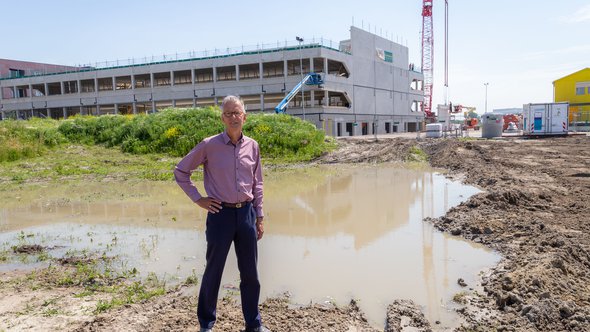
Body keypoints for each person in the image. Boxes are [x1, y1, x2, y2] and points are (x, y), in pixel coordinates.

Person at [174, 95, 270, 332]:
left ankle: (253, 324)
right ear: (222, 118)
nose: (233, 117)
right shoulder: (209, 145)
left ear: (245, 117)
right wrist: (199, 199)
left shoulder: (253, 146)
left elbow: (258, 183)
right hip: (220, 215)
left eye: (237, 113)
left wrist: (259, 216)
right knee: (213, 270)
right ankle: (206, 324)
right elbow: (181, 171)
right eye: (228, 113)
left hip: (246, 214)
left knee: (251, 274)